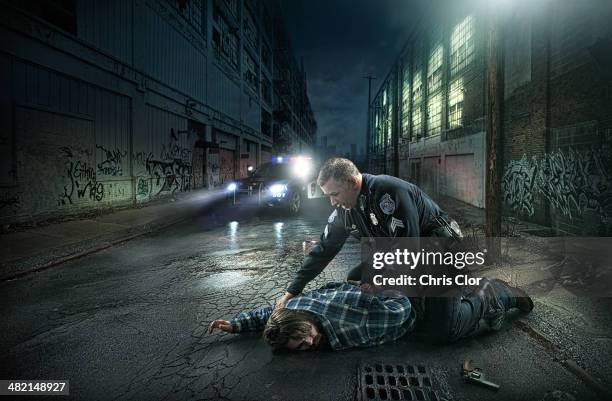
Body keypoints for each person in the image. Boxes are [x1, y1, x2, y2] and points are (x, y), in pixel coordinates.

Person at [276, 157, 463, 307]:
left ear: (352, 182)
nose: (332, 203)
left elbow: (408, 250)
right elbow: (323, 250)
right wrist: (291, 292)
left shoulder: (389, 192)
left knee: (438, 321)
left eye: (335, 194)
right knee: (357, 279)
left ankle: (487, 299)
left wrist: (381, 284)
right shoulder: (344, 210)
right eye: (328, 196)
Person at [208, 279, 534, 351]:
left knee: (446, 330)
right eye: (301, 346)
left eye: (302, 334)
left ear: (301, 320)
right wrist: (238, 323)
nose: (309, 341)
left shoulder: (351, 327)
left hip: (410, 301)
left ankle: (495, 293)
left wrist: (382, 299)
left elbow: (401, 311)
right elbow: (272, 313)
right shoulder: (296, 310)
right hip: (391, 284)